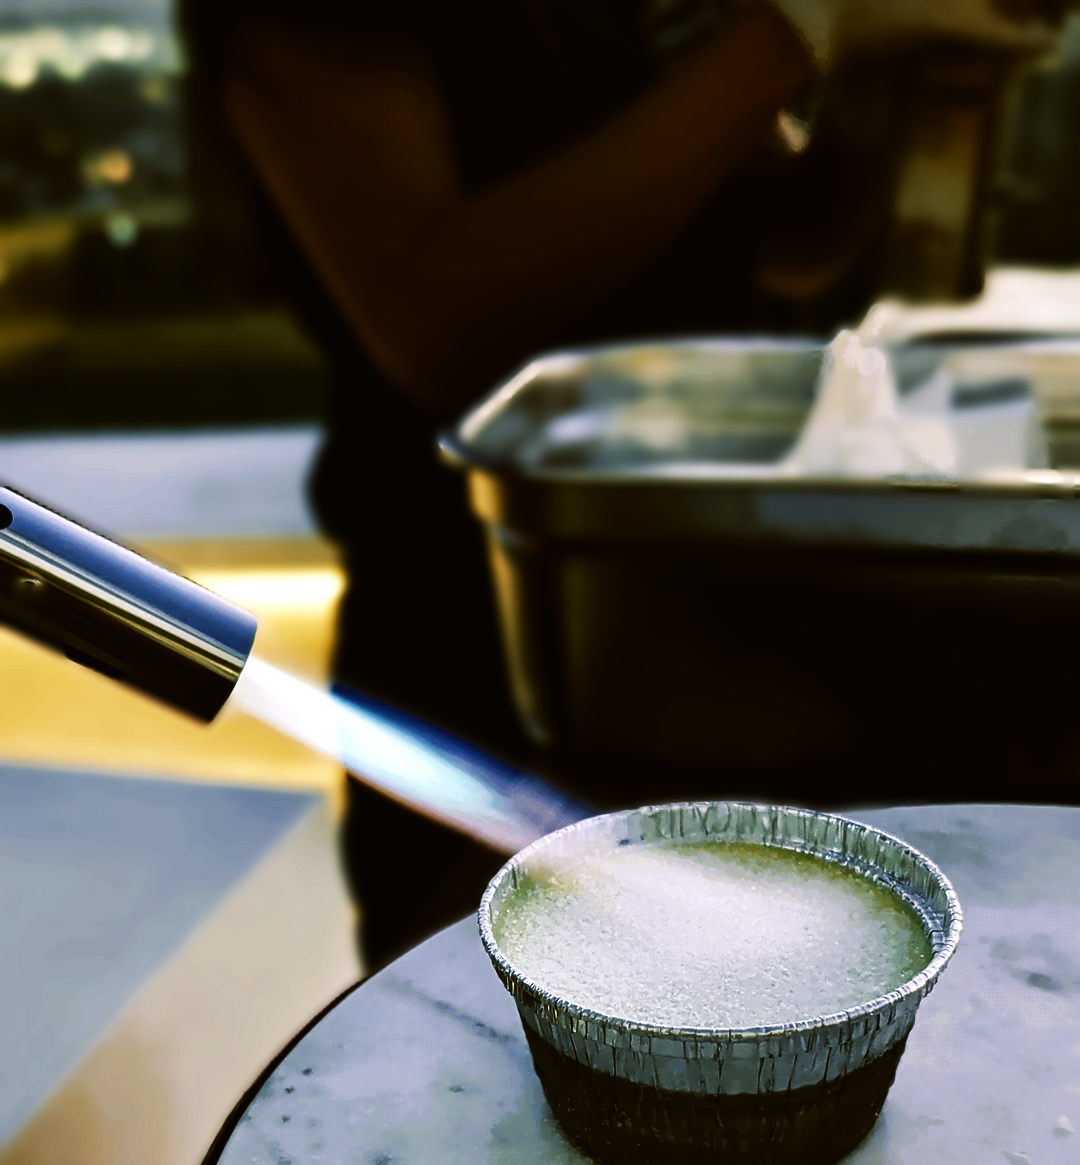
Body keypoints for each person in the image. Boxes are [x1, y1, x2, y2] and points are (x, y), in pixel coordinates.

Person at [178, 0, 861, 969]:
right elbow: (435, 322)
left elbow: (782, 244)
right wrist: (793, 34)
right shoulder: (311, 28)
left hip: (698, 650)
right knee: (499, 1038)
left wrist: (909, 94)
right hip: (481, 659)